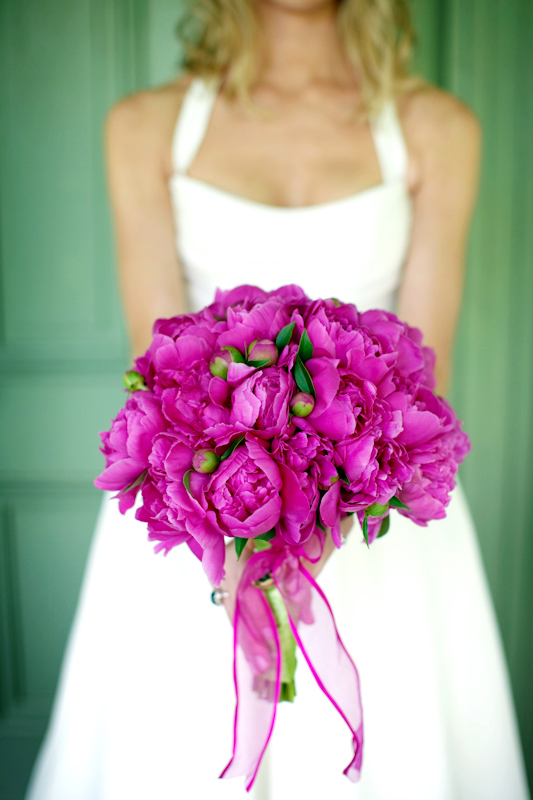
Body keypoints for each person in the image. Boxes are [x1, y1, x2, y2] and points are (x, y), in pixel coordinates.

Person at [26, 0, 530, 798]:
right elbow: (154, 367)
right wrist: (235, 523)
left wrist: (320, 523)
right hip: (195, 507)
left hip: (379, 517)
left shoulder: (438, 130)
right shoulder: (145, 128)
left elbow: (424, 375)